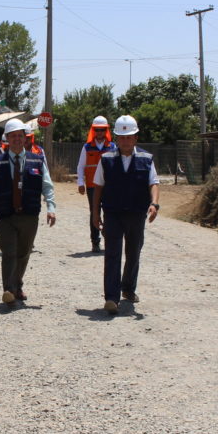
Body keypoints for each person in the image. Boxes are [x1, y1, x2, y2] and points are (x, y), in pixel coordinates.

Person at [0, 118, 56, 306]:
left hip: (29, 216)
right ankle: (8, 290)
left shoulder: (37, 160)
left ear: (25, 138)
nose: (16, 139)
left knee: (23, 253)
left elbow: (47, 186)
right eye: (13, 136)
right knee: (8, 252)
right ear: (7, 138)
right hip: (5, 216)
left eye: (20, 136)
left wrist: (51, 208)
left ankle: (17, 285)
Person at [92, 115, 159, 315]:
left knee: (133, 252)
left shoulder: (147, 159)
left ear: (136, 138)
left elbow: (153, 183)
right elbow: (98, 188)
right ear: (116, 139)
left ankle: (128, 289)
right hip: (113, 213)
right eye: (122, 137)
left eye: (129, 137)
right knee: (112, 254)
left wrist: (154, 203)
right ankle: (111, 298)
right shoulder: (106, 160)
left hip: (137, 214)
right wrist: (95, 214)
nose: (126, 141)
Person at [75, 115, 116, 253]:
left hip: (109, 186)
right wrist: (81, 183)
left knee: (110, 212)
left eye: (102, 130)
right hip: (92, 187)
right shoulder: (87, 147)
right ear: (93, 131)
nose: (99, 132)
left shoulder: (113, 147)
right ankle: (95, 241)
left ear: (106, 131)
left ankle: (110, 239)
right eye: (97, 130)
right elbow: (81, 166)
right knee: (95, 212)